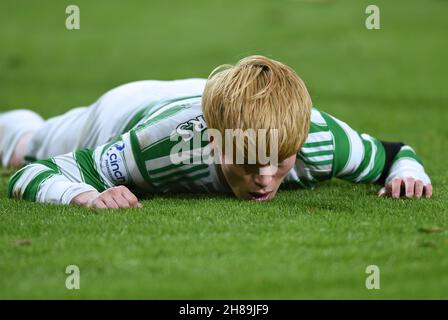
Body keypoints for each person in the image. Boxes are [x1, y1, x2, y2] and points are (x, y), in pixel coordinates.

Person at [0, 55, 432, 209]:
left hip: (212, 99)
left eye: (279, 159)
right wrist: (86, 194)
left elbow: (394, 154)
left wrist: (408, 175)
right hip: (124, 111)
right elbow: (31, 177)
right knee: (24, 149)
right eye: (247, 159)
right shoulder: (160, 149)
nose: (265, 177)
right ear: (214, 142)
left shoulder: (317, 138)